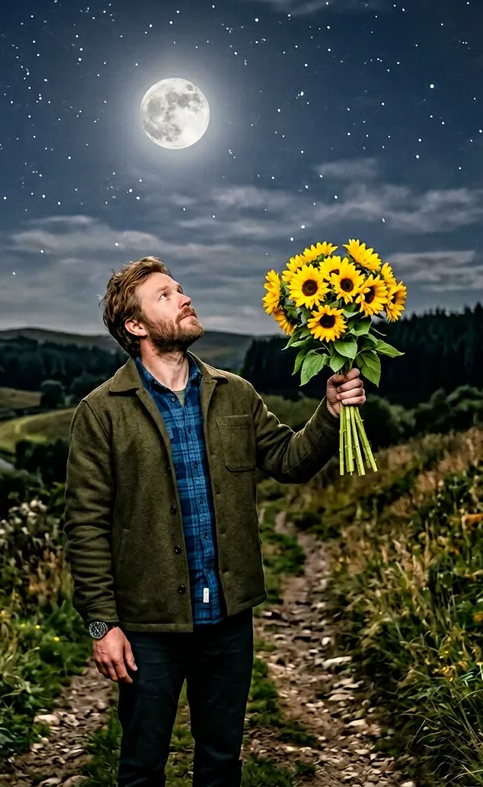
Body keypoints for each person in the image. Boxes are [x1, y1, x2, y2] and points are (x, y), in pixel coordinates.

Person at [63, 256, 366, 786]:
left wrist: (332, 412)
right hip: (147, 625)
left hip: (228, 619)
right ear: (135, 327)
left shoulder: (235, 393)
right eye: (164, 295)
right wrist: (101, 623)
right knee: (140, 767)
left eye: (180, 288)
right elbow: (85, 524)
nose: (183, 298)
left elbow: (289, 461)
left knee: (222, 762)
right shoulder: (102, 411)